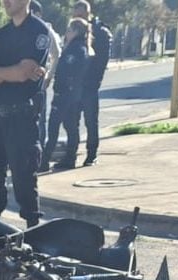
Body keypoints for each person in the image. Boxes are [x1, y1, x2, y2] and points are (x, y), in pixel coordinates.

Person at [0, 0, 53, 228]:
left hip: (21, 115)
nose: (6, 2)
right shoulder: (0, 35)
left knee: (23, 175)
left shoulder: (38, 31)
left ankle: (33, 229)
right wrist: (6, 72)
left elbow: (23, 74)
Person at [41, 18, 92, 171]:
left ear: (76, 32)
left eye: (69, 30)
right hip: (70, 93)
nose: (66, 33)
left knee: (55, 127)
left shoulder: (77, 49)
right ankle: (69, 158)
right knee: (70, 127)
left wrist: (62, 88)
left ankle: (45, 161)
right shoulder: (75, 47)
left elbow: (70, 72)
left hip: (66, 94)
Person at [73, 0, 112, 166]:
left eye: (81, 14)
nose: (78, 18)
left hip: (90, 84)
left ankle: (92, 154)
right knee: (71, 121)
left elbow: (101, 61)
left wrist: (95, 81)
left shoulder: (100, 32)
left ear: (88, 14)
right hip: (74, 86)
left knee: (91, 121)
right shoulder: (74, 30)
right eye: (76, 15)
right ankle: (70, 154)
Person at [29, 1, 60, 152]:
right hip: (19, 81)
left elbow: (56, 54)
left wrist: (49, 76)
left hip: (39, 82)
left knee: (39, 120)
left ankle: (39, 156)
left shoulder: (45, 29)